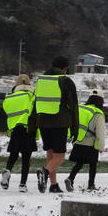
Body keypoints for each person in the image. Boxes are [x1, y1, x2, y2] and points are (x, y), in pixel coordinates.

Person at [28, 56, 79, 194]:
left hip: (43, 121)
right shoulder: (65, 81)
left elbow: (35, 103)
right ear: (65, 68)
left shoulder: (41, 81)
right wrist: (75, 128)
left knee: (50, 153)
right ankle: (44, 172)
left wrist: (32, 125)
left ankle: (53, 184)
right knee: (60, 155)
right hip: (59, 122)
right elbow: (74, 106)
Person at [0, 74, 37, 192]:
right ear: (29, 83)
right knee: (26, 159)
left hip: (15, 129)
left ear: (17, 84)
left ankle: (8, 170)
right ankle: (22, 185)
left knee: (13, 154)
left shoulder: (10, 97)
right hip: (28, 128)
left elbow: (6, 109)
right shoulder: (32, 95)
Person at [64, 93, 106, 192]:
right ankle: (91, 185)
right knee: (93, 164)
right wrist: (101, 147)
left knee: (79, 163)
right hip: (90, 143)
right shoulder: (98, 113)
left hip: (78, 141)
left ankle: (70, 178)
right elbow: (100, 132)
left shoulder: (80, 108)